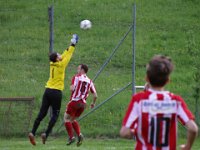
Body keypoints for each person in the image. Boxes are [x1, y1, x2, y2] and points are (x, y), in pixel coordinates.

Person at [120, 55, 198, 150]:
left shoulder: (139, 100)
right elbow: (193, 129)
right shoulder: (175, 101)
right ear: (168, 80)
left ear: (147, 79)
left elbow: (124, 132)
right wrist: (187, 146)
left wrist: (134, 131)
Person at [28, 34, 79, 146]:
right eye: (58, 55)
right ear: (57, 58)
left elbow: (64, 54)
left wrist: (70, 44)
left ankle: (32, 132)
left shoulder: (52, 63)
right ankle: (46, 134)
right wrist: (73, 45)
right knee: (55, 115)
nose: (61, 55)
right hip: (56, 92)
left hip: (47, 90)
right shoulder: (61, 65)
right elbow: (68, 55)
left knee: (42, 113)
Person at [64, 64, 97, 146]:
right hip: (83, 104)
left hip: (75, 101)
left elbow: (72, 88)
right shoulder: (90, 81)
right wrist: (93, 103)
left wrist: (72, 88)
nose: (77, 70)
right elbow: (95, 95)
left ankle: (71, 137)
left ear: (82, 70)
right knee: (72, 120)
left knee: (66, 119)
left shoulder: (76, 77)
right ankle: (79, 135)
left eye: (78, 68)